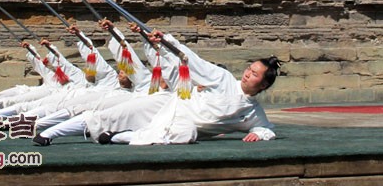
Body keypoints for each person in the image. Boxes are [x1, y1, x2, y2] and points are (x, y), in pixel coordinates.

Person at [33, 29, 280, 146]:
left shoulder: (252, 112)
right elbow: (194, 62)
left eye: (255, 74)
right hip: (170, 104)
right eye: (250, 68)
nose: (248, 73)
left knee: (186, 134)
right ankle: (48, 134)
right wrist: (168, 41)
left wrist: (260, 133)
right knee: (109, 115)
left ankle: (117, 138)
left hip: (183, 126)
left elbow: (267, 128)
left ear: (264, 84)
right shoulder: (224, 78)